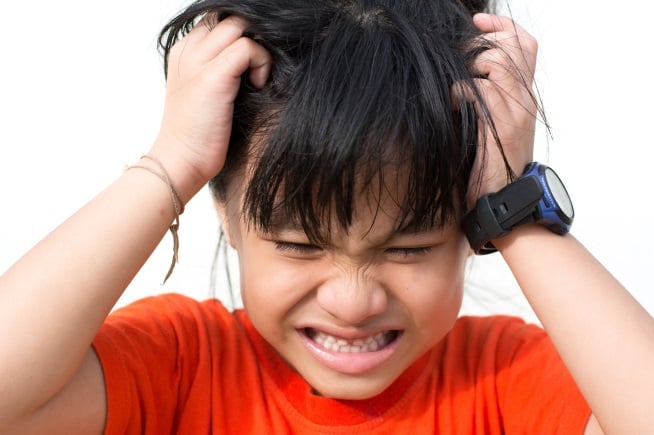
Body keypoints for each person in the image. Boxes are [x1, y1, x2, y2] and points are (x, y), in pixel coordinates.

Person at [0, 0, 652, 433]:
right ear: (223, 208)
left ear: (469, 226)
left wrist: (511, 201)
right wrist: (171, 163)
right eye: (299, 244)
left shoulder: (504, 381)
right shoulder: (181, 363)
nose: (352, 299)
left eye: (408, 247)